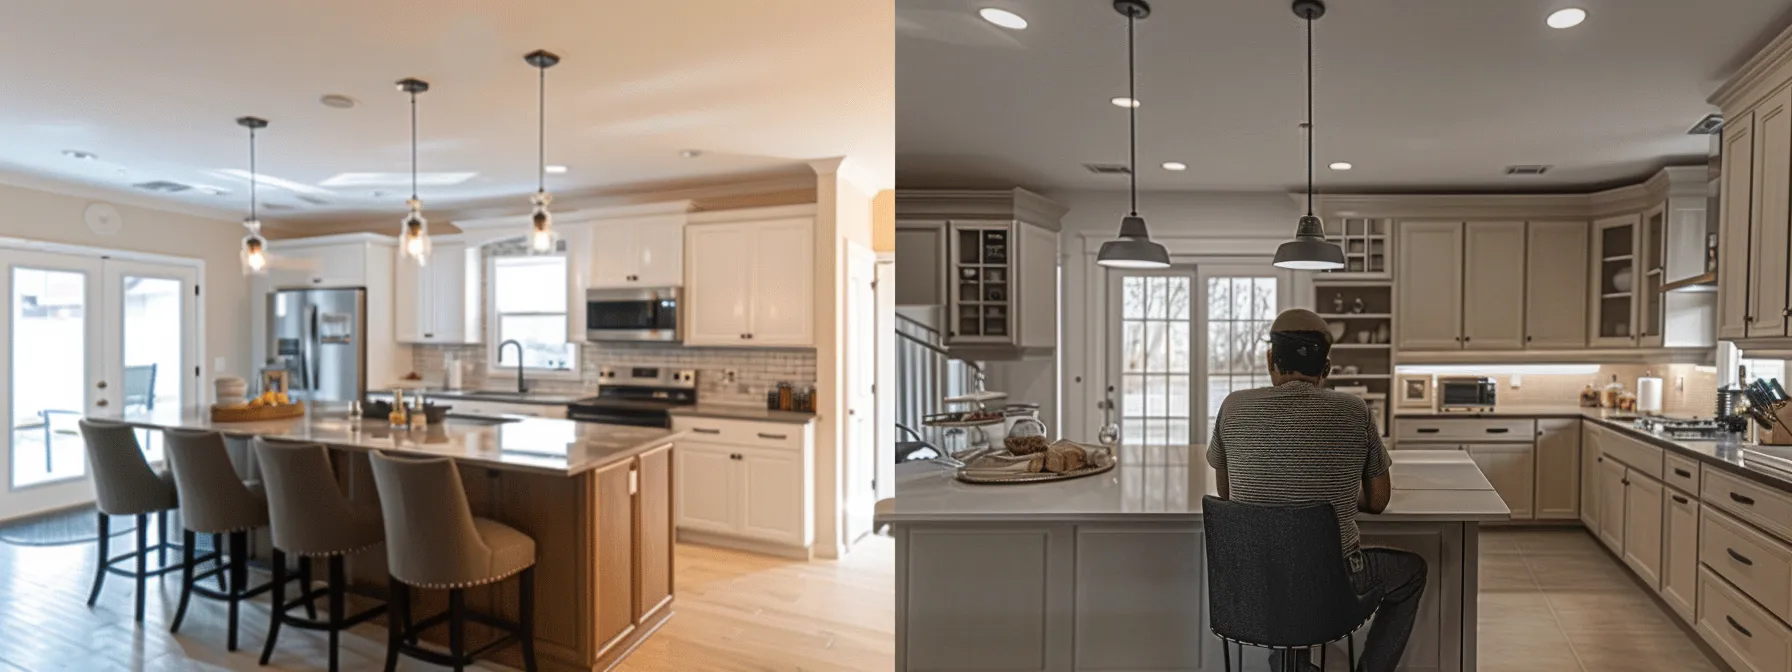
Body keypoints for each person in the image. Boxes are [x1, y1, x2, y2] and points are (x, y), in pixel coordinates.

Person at [1206, 308, 1425, 672]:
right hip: (1330, 584)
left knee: (1283, 566)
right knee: (1412, 571)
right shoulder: (1355, 411)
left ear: (1270, 360)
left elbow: (1230, 496)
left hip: (1253, 583)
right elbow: (1378, 500)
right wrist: (1333, 491)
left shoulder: (1233, 407)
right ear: (1326, 369)